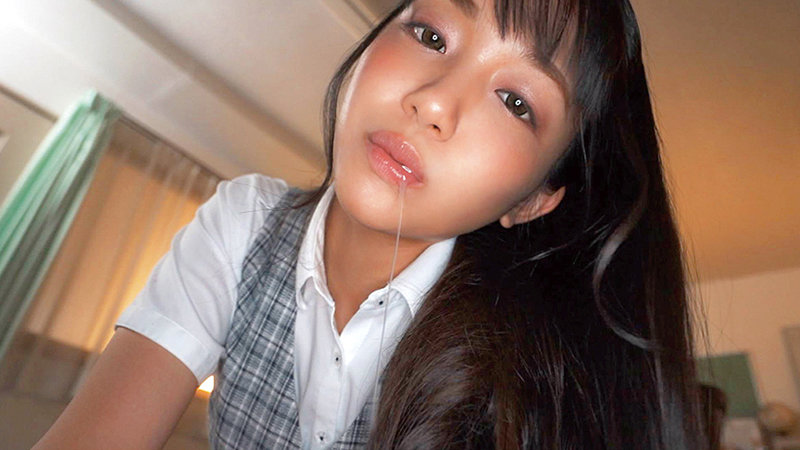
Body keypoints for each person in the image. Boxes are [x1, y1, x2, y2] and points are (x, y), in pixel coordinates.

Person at [34, 0, 706, 448]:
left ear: (532, 199)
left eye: (514, 100)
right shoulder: (241, 224)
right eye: (431, 35)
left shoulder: (533, 376)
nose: (434, 103)